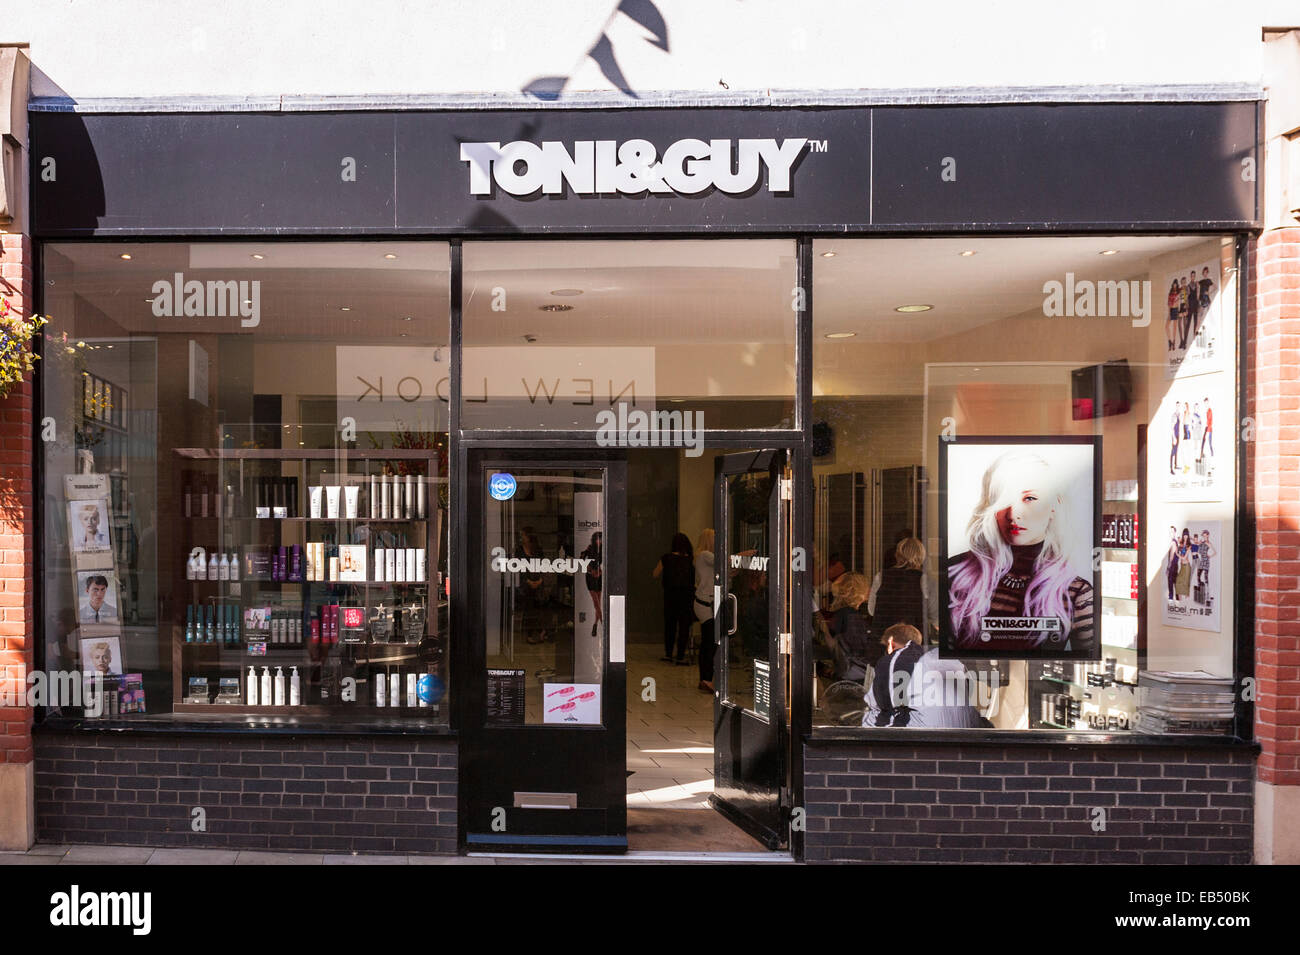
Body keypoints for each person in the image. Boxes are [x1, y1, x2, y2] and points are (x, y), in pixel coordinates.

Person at [946, 450, 1094, 653]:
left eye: (1030, 498)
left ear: (1053, 506)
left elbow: (1085, 671)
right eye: (1002, 500)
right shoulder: (957, 573)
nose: (1013, 514)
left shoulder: (1076, 592)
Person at [868, 536, 935, 639]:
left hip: (884, 640)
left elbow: (872, 610)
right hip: (914, 641)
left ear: (897, 555)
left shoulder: (881, 577)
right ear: (922, 556)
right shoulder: (925, 580)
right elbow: (935, 615)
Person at [825, 572, 879, 682]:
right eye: (866, 586)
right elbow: (858, 646)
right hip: (856, 674)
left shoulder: (841, 613)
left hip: (845, 672)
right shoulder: (851, 615)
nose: (869, 590)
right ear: (858, 591)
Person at [653, 532, 695, 664]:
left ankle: (669, 654)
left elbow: (655, 573)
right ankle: (681, 656)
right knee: (684, 626)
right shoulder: (691, 559)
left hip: (670, 596)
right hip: (687, 596)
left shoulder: (666, 558)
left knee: (670, 625)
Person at [693, 528, 716, 692]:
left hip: (707, 603)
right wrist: (743, 555)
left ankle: (706, 678)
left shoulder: (704, 556)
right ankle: (706, 679)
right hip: (706, 604)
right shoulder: (705, 555)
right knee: (709, 642)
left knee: (709, 642)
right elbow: (724, 560)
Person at [516, 527, 549, 644]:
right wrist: (528, 581)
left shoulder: (538, 550)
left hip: (538, 583)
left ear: (529, 537)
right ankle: (531, 634)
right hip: (526, 584)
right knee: (529, 609)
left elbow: (544, 566)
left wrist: (540, 580)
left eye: (523, 535)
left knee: (539, 609)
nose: (521, 538)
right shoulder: (519, 550)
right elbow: (517, 568)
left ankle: (541, 632)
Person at [581, 531, 602, 638]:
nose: (600, 541)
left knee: (599, 602)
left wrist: (600, 571)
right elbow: (581, 560)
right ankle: (603, 624)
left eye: (601, 539)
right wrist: (589, 568)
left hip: (599, 576)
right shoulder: (590, 548)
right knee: (596, 603)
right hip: (590, 576)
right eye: (598, 539)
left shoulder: (602, 550)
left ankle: (595, 624)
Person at [1175, 528, 1193, 605]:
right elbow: (1178, 543)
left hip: (1186, 566)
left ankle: (1186, 601)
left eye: (1187, 535)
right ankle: (1180, 600)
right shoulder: (1181, 543)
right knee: (1178, 580)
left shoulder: (1189, 545)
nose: (1185, 536)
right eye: (1184, 535)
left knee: (1185, 582)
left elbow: (1184, 557)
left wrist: (1177, 554)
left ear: (1188, 536)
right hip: (1182, 565)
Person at [1166, 526, 1179, 601]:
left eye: (1172, 532)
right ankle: (1177, 598)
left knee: (1170, 581)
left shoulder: (1173, 542)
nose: (1171, 533)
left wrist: (1168, 567)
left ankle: (1171, 597)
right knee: (1175, 581)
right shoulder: (1175, 542)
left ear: (1174, 533)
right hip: (1175, 565)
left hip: (1173, 565)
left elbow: (1171, 556)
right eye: (1170, 532)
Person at [1166, 279, 1179, 352]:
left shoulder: (1178, 292)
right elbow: (1168, 304)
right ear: (1172, 284)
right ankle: (1170, 341)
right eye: (1174, 284)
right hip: (1171, 310)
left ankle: (1173, 342)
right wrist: (1169, 313)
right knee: (1166, 327)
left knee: (1174, 327)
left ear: (1177, 285)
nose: (1175, 285)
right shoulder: (1170, 293)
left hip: (1176, 310)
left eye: (1176, 284)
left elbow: (1178, 302)